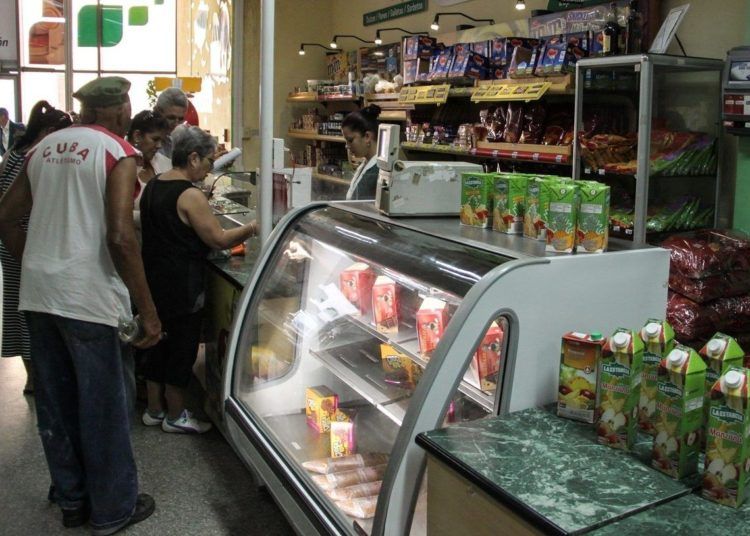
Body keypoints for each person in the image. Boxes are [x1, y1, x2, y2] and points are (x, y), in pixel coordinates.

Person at [0, 76, 161, 534]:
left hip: (39, 294)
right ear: (119, 108)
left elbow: (5, 216)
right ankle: (113, 510)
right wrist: (147, 310)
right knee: (104, 406)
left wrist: (36, 260)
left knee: (56, 403)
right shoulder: (117, 152)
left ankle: (71, 499)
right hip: (87, 299)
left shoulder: (42, 148)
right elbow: (119, 235)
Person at [140, 125, 257, 434]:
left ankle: (154, 410)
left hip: (154, 281)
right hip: (183, 285)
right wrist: (252, 228)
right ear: (192, 158)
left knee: (156, 345)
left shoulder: (153, 185)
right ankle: (176, 415)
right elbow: (218, 239)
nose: (208, 169)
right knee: (181, 348)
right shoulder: (189, 195)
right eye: (207, 161)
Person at [0, 100, 72, 394]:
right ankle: (36, 376)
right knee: (30, 308)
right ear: (49, 131)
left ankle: (35, 376)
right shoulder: (30, 156)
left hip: (15, 239)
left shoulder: (16, 152)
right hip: (21, 239)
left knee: (20, 307)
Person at [126, 110, 169, 228]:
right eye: (155, 139)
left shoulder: (163, 162)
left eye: (162, 141)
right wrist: (154, 218)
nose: (159, 146)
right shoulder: (120, 165)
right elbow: (116, 213)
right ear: (137, 136)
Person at [342, 104, 381, 200]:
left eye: (350, 140)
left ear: (367, 136)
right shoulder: (366, 164)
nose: (347, 146)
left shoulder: (378, 171)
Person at [151, 87, 188, 173]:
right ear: (158, 112)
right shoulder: (146, 140)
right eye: (171, 118)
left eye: (180, 119)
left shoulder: (170, 141)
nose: (176, 123)